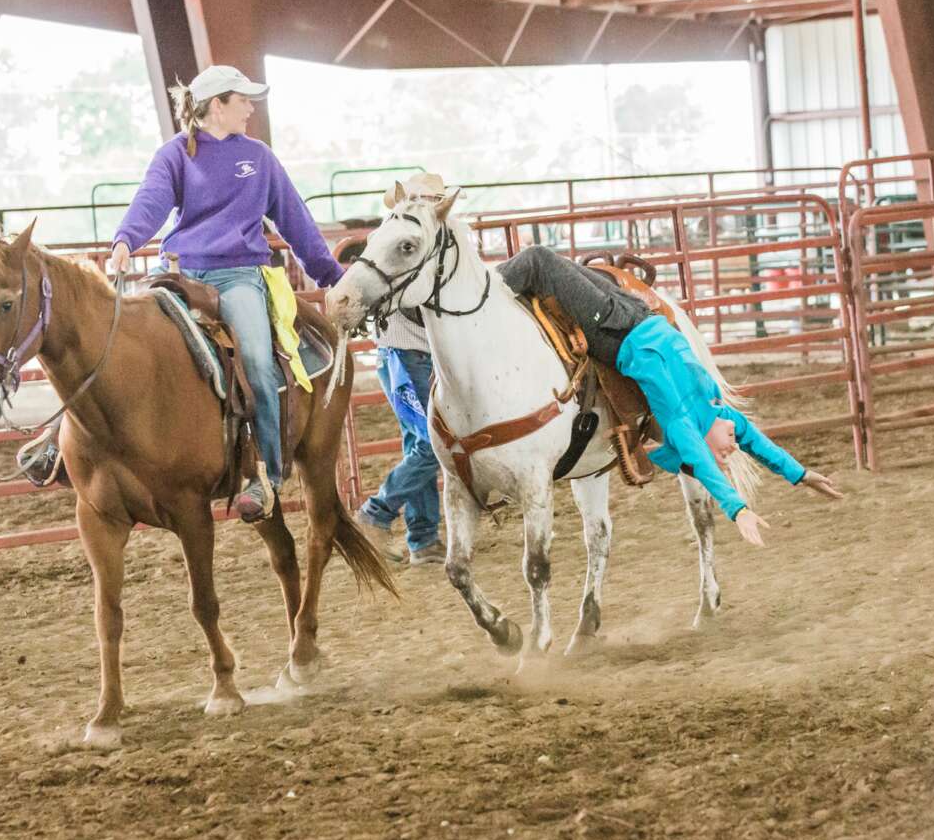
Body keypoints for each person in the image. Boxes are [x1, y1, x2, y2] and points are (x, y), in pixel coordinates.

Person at [48, 65, 344, 521]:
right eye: (242, 99)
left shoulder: (259, 158)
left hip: (240, 276)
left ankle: (264, 476)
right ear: (217, 105)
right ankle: (59, 443)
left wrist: (329, 274)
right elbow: (151, 200)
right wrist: (126, 239)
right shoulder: (175, 155)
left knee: (261, 365)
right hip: (180, 274)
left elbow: (294, 218)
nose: (251, 107)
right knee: (113, 340)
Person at [496, 244, 844, 546]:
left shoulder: (682, 425)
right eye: (731, 451)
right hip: (637, 313)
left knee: (538, 260)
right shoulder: (721, 414)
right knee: (570, 268)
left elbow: (705, 468)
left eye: (723, 455)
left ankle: (480, 294)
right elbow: (762, 446)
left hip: (614, 331)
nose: (733, 447)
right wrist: (801, 475)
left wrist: (738, 511)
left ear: (701, 448)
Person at [338, 185, 444, 566]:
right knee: (432, 444)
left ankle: (424, 539)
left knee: (420, 442)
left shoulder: (401, 239)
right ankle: (375, 513)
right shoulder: (403, 243)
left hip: (408, 355)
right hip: (404, 354)